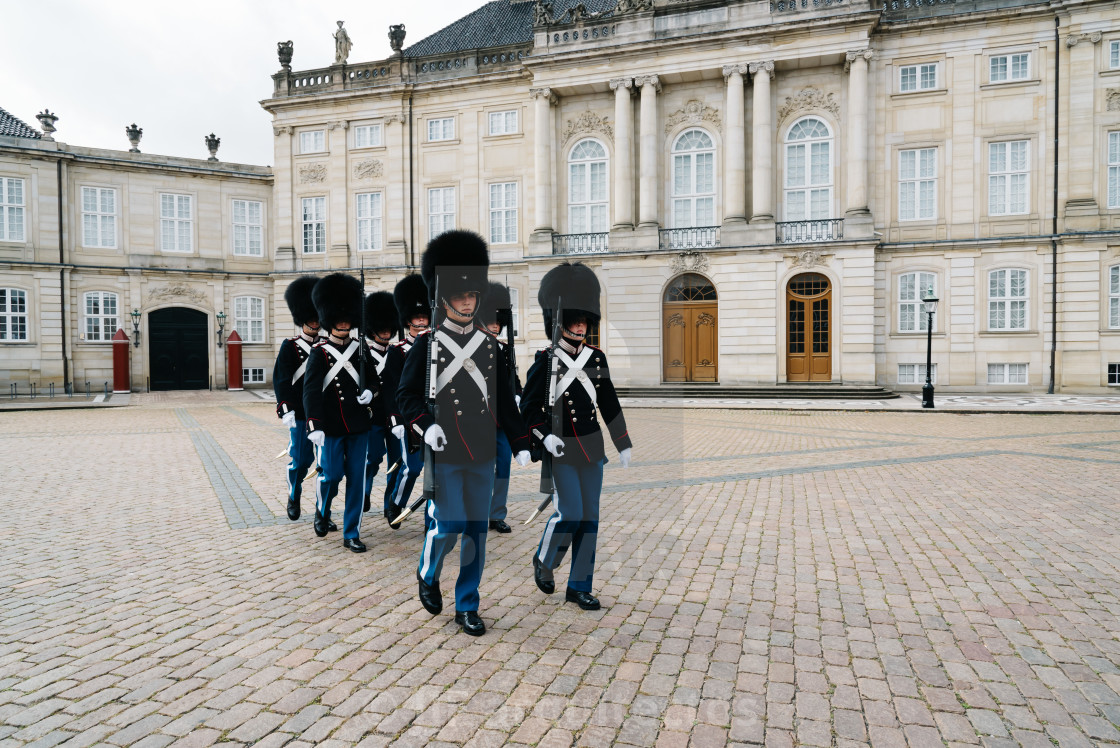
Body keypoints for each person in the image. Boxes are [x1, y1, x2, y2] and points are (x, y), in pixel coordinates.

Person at [397, 230, 531, 636]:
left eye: (473, 295)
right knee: (448, 525)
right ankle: (428, 570)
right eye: (461, 296)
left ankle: (468, 604)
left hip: (482, 451)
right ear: (444, 298)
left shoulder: (492, 348)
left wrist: (522, 442)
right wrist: (426, 425)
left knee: (475, 532)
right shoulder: (428, 345)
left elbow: (505, 401)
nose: (469, 301)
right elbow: (405, 398)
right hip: (446, 450)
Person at [522, 261, 632, 612]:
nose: (581, 325)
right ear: (561, 320)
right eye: (574, 319)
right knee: (568, 513)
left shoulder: (596, 358)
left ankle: (579, 586)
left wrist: (622, 442)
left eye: (585, 320)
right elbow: (528, 411)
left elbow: (608, 401)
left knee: (590, 519)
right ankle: (545, 559)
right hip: (562, 450)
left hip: (591, 448)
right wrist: (542, 437)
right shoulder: (545, 361)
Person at [303, 273, 380, 553]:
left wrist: (370, 392)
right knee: (331, 476)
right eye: (339, 317)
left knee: (357, 482)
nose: (344, 322)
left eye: (348, 317)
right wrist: (315, 425)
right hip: (332, 426)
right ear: (329, 318)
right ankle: (322, 510)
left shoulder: (361, 349)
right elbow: (310, 391)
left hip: (358, 425)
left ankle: (352, 532)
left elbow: (373, 380)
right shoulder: (319, 352)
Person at [382, 274, 429, 527]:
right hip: (407, 416)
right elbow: (391, 389)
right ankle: (396, 503)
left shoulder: (436, 346)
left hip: (431, 415)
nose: (421, 320)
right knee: (412, 468)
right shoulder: (398, 351)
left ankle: (430, 519)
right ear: (408, 321)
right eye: (416, 317)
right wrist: (395, 418)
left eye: (424, 317)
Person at [273, 276, 321, 523]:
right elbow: (281, 379)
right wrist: (286, 409)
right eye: (310, 317)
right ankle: (294, 493)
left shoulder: (327, 346)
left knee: (326, 468)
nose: (314, 321)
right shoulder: (290, 346)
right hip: (301, 412)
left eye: (317, 316)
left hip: (325, 412)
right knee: (302, 461)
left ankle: (322, 512)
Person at [476, 281, 520, 534]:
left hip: (501, 420)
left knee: (503, 466)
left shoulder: (504, 350)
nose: (495, 327)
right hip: (479, 418)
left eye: (498, 324)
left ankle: (497, 513)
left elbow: (514, 381)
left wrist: (517, 396)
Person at [362, 291, 397, 515]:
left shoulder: (397, 353)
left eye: (388, 328)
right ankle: (364, 493)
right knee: (372, 459)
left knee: (396, 463)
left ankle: (390, 504)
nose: (385, 332)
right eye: (381, 329)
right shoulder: (364, 354)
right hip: (373, 416)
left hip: (395, 416)